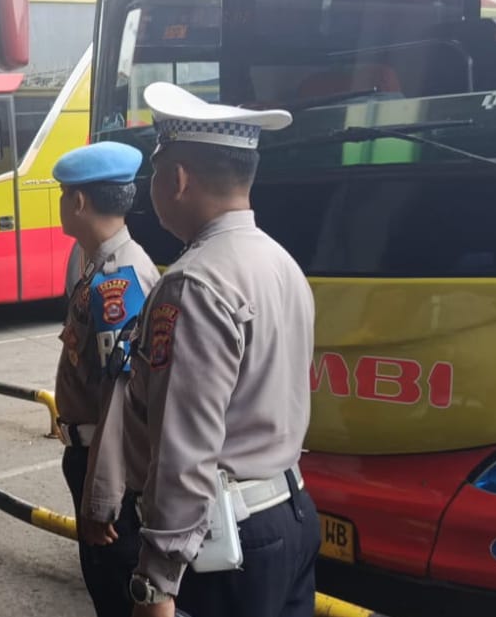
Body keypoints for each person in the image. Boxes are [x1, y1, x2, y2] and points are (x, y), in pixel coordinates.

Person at [121, 82, 320, 617]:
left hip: (227, 546)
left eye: (155, 172)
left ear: (178, 179)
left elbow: (184, 452)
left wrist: (156, 582)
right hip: (292, 513)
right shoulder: (281, 262)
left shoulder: (194, 284)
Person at [53, 141, 160, 617]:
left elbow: (122, 400)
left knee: (116, 592)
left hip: (106, 462)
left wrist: (103, 498)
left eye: (63, 194)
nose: (61, 203)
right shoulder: (97, 266)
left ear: (78, 201)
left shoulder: (119, 281)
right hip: (91, 454)